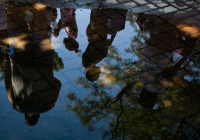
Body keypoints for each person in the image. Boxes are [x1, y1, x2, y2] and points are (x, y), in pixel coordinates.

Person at [3, 1, 61, 126]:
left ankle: (39, 4)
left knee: (41, 36)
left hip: (43, 64)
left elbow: (57, 85)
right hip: (20, 61)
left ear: (37, 116)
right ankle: (12, 3)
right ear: (25, 116)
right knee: (17, 33)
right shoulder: (16, 105)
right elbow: (8, 84)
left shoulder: (48, 105)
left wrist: (45, 78)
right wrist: (6, 61)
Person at [82, 9, 128, 81]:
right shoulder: (87, 63)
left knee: (98, 15)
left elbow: (103, 49)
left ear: (92, 73)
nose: (99, 73)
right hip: (93, 35)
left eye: (97, 74)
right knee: (95, 16)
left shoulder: (90, 62)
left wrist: (111, 40)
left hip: (98, 34)